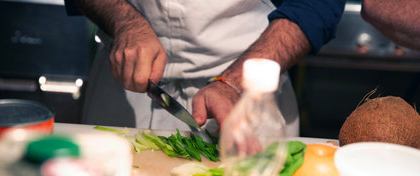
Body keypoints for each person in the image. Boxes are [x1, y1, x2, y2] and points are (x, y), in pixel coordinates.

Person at [65, 0, 345, 136]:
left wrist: (234, 82)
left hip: (247, 94)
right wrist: (124, 20)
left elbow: (316, 4)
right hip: (125, 84)